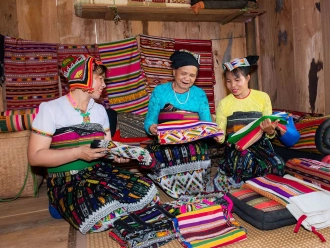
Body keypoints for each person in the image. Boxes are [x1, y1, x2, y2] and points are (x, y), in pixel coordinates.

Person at [28, 55, 159, 234]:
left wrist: (118, 155)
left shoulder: (100, 111)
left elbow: (108, 146)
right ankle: (60, 201)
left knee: (148, 193)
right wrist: (77, 153)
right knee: (104, 216)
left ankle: (80, 204)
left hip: (99, 172)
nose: (104, 84)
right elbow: (35, 157)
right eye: (100, 78)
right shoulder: (50, 109)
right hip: (66, 178)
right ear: (83, 78)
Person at [143, 49, 214, 198]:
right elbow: (149, 121)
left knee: (196, 150)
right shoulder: (160, 91)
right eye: (183, 73)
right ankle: (174, 190)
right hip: (166, 141)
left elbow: (207, 123)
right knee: (164, 153)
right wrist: (151, 127)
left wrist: (210, 131)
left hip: (193, 140)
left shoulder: (199, 94)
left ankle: (194, 188)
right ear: (174, 71)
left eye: (192, 75)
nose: (187, 78)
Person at [214, 56, 285, 191]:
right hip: (237, 147)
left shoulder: (262, 97)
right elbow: (221, 135)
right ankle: (246, 194)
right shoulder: (224, 104)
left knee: (278, 163)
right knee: (246, 159)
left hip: (260, 145)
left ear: (247, 78)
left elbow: (270, 132)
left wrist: (270, 130)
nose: (232, 85)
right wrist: (218, 136)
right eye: (228, 81)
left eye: (237, 80)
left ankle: (265, 191)